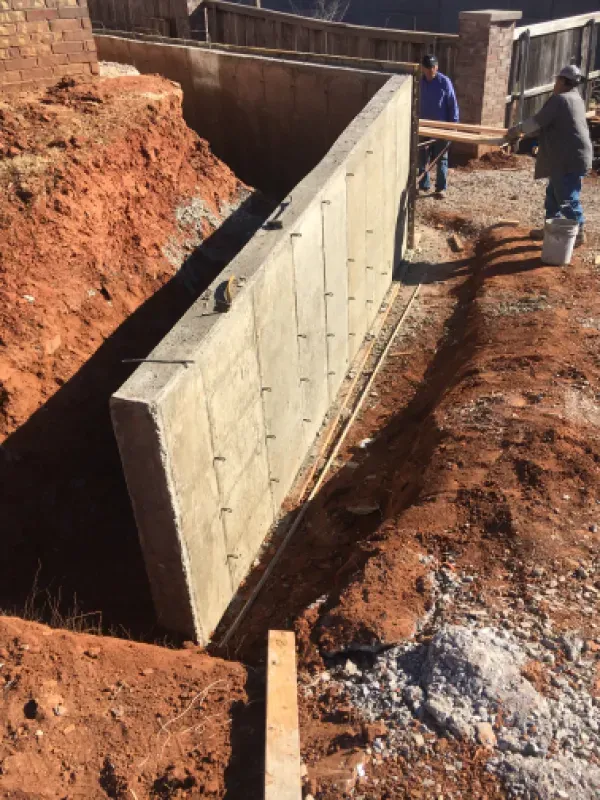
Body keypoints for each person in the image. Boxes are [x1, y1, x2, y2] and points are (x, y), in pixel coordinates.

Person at [508, 64, 593, 247]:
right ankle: (550, 228)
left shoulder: (560, 100)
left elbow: (538, 121)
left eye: (557, 80)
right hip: (570, 156)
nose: (555, 83)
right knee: (553, 194)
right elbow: (548, 125)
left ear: (563, 81)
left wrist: (516, 131)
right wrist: (525, 132)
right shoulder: (575, 98)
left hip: (569, 158)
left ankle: (578, 232)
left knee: (566, 196)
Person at [419, 53, 460, 198]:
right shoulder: (420, 82)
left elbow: (452, 104)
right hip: (422, 126)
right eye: (428, 68)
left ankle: (441, 187)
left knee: (441, 158)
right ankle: (423, 184)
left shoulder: (444, 82)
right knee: (422, 156)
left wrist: (453, 125)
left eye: (433, 68)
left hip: (440, 127)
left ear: (436, 68)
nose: (431, 71)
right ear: (423, 68)